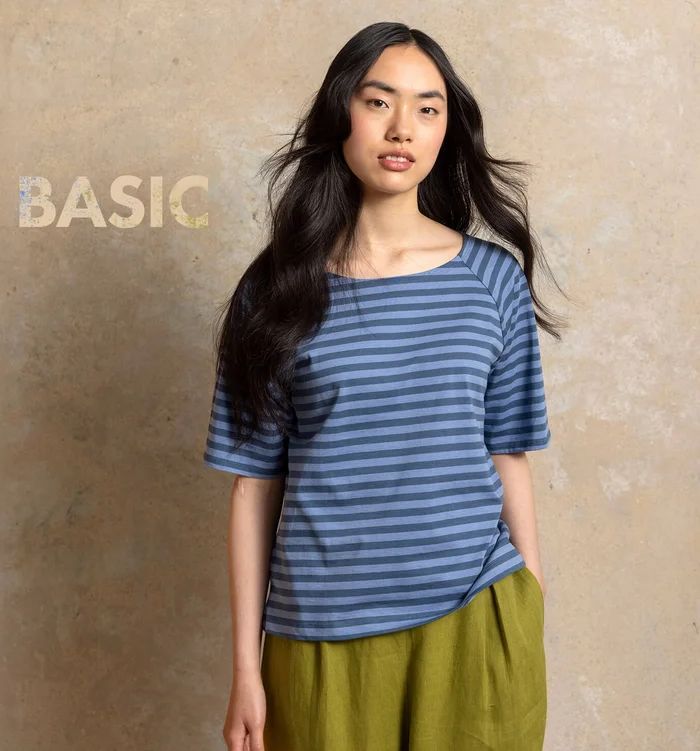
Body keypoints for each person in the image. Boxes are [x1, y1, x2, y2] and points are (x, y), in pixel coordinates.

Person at [202, 20, 568, 751]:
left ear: (446, 131)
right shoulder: (275, 289)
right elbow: (251, 487)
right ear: (342, 113)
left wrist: (529, 592)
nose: (403, 127)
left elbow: (508, 453)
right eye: (379, 102)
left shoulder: (491, 280)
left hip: (475, 617)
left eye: (428, 108)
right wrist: (247, 666)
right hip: (321, 635)